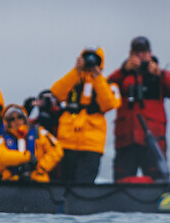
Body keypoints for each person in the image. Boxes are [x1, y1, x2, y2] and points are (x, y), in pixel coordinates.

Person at [107, 36, 170, 181]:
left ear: (150, 53)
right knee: (120, 182)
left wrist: (161, 74)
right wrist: (123, 70)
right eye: (136, 52)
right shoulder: (122, 76)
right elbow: (105, 88)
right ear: (130, 54)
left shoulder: (158, 76)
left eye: (143, 52)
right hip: (126, 140)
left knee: (158, 181)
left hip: (153, 141)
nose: (140, 55)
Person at [49, 46, 119, 183]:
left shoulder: (108, 85)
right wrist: (76, 71)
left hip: (91, 146)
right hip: (67, 142)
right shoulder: (73, 79)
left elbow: (109, 104)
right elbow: (56, 93)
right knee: (62, 183)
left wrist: (97, 77)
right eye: (87, 58)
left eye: (94, 59)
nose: (90, 62)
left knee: (83, 185)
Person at [0, 104, 63, 182]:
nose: (16, 121)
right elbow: (1, 156)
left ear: (24, 118)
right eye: (12, 119)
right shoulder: (3, 138)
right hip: (12, 182)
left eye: (19, 117)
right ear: (7, 123)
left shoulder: (39, 132)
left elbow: (57, 149)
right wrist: (27, 157)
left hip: (37, 180)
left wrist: (42, 167)